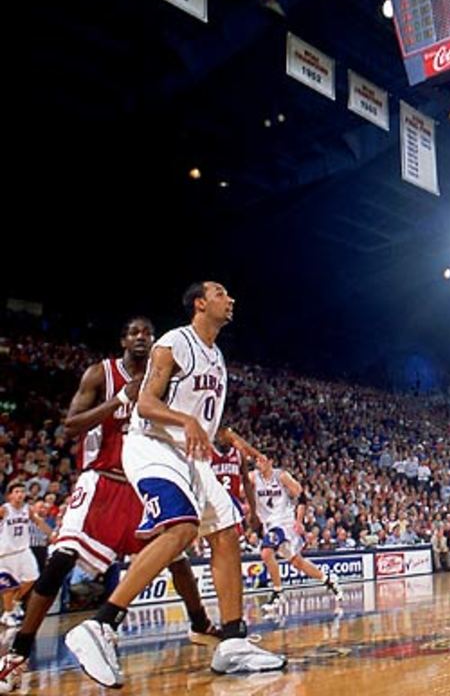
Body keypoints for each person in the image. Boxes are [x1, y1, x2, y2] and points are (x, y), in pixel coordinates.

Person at [64, 282, 285, 688]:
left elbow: (207, 420)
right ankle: (99, 626)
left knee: (226, 530)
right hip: (152, 445)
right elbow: (146, 403)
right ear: (200, 303)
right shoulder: (173, 342)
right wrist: (186, 423)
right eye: (221, 293)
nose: (230, 298)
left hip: (190, 455)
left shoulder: (216, 356)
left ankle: (233, 640)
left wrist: (235, 443)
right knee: (183, 527)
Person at [1, 318, 222, 693]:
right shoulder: (100, 374)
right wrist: (121, 399)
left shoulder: (163, 380)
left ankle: (200, 624)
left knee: (178, 557)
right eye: (134, 333)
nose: (142, 338)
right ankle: (17, 655)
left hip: (143, 481)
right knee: (59, 563)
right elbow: (71, 425)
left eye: (147, 334)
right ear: (123, 340)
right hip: (102, 480)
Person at [250, 455, 341, 610]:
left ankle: (278, 592)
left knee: (266, 553)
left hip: (284, 523)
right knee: (297, 562)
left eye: (262, 460)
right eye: (257, 460)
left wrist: (299, 521)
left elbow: (302, 497)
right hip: (268, 524)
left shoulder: (281, 476)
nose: (259, 463)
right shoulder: (253, 477)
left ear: (271, 461)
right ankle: (328, 579)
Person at [0, 484, 54, 627]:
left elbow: (39, 522)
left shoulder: (27, 509)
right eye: (16, 491)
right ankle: (8, 613)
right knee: (8, 586)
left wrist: (53, 534)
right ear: (10, 495)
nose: (20, 494)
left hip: (24, 550)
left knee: (32, 578)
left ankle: (15, 603)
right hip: (6, 553)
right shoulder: (4, 510)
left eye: (22, 491)